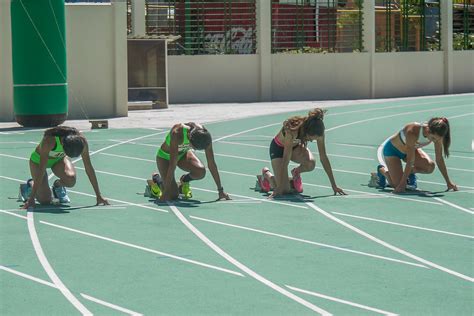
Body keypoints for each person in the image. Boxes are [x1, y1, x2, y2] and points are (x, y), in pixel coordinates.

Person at [259, 108, 346, 198]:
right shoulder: (292, 130)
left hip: (295, 147)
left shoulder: (319, 132)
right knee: (285, 190)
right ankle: (267, 175)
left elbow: (323, 157)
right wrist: (279, 188)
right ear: (306, 131)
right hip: (278, 149)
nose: (312, 140)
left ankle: (296, 173)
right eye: (310, 138)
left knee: (310, 163)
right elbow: (286, 160)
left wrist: (334, 185)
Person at [22, 126, 109, 208]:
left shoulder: (82, 142)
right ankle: (30, 185)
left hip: (58, 160)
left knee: (71, 180)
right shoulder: (49, 140)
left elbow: (89, 168)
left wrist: (99, 195)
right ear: (62, 144)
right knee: (45, 200)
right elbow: (42, 169)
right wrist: (32, 198)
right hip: (38, 162)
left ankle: (57, 187)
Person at [370, 117, 458, 193]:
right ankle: (382, 171)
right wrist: (401, 184)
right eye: (433, 138)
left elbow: (439, 159)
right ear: (428, 130)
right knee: (396, 185)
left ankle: (410, 174)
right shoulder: (412, 131)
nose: (435, 141)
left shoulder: (437, 135)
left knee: (430, 167)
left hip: (410, 151)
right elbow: (410, 160)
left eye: (437, 139)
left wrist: (448, 182)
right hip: (392, 151)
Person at [154, 122, 230, 201]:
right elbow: (172, 165)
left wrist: (220, 191)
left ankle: (184, 181)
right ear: (189, 138)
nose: (194, 149)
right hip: (165, 157)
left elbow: (211, 163)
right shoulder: (177, 133)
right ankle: (156, 180)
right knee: (172, 195)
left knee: (200, 172)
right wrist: (165, 193)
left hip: (183, 154)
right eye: (193, 147)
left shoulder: (204, 136)